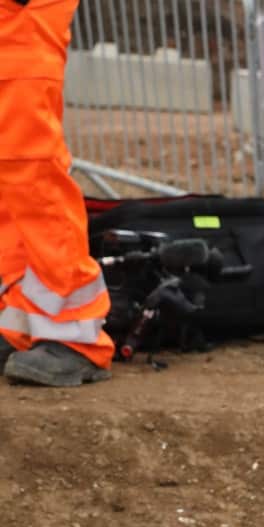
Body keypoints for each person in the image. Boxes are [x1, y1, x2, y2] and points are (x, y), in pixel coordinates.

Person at [0, 0, 113, 386]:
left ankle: (76, 335)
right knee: (11, 176)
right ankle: (18, 320)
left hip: (22, 15)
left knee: (30, 168)